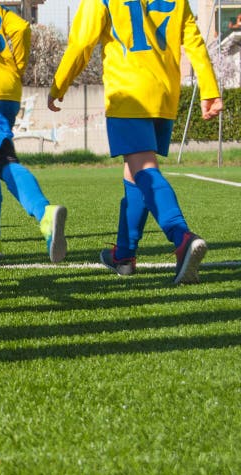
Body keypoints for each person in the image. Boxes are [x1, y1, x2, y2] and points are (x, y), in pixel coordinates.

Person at [49, 0, 222, 284]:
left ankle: (182, 237)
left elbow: (81, 43)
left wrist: (59, 84)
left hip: (128, 94)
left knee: (143, 167)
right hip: (164, 95)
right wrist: (210, 89)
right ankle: (124, 254)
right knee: (135, 173)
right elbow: (195, 42)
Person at [0, 1, 67, 262]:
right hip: (8, 88)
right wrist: (16, 67)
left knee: (1, 158)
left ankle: (44, 213)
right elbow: (22, 27)